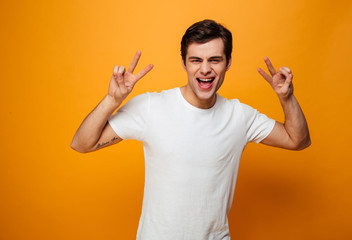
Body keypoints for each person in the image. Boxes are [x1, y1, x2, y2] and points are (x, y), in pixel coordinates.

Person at [71, 19, 310, 240]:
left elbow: (297, 140)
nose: (205, 69)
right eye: (196, 60)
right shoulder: (151, 107)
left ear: (228, 63)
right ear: (184, 63)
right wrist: (112, 100)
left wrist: (286, 98)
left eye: (214, 60)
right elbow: (82, 143)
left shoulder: (240, 116)